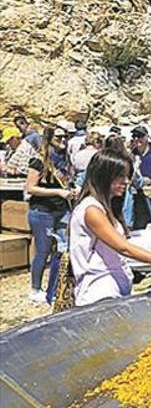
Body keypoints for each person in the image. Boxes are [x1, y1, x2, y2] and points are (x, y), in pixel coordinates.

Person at [70, 149, 151, 305]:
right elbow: (124, 248)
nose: (126, 181)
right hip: (99, 291)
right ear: (104, 176)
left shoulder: (105, 206)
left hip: (112, 287)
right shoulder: (92, 210)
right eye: (121, 177)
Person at [25, 127, 76, 303]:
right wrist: (57, 192)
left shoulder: (65, 159)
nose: (63, 139)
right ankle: (36, 288)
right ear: (50, 138)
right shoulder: (39, 160)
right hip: (42, 211)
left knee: (63, 250)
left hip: (61, 210)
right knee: (43, 251)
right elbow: (30, 188)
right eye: (59, 136)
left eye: (66, 136)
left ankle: (55, 288)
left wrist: (70, 190)